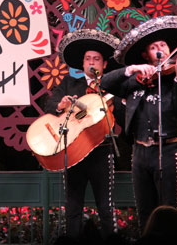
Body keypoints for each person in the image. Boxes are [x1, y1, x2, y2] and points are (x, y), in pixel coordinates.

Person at [100, 15, 177, 233]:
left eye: (163, 45)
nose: (159, 49)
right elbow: (104, 82)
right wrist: (131, 70)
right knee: (144, 210)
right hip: (140, 151)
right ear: (146, 54)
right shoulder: (135, 83)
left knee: (170, 209)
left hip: (168, 149)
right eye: (153, 47)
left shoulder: (175, 79)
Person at [43, 29, 121, 240]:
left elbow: (125, 116)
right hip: (75, 152)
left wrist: (115, 106)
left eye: (96, 59)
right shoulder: (70, 84)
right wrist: (61, 104)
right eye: (88, 59)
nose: (91, 63)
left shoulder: (112, 87)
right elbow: (49, 105)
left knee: (106, 206)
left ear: (104, 64)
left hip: (102, 152)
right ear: (83, 63)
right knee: (72, 206)